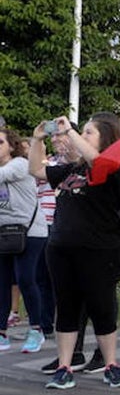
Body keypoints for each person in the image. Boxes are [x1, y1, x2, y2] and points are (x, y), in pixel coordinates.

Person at [29, 113, 120, 389]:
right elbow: (37, 171)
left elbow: (98, 160)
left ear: (105, 139)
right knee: (66, 307)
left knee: (102, 307)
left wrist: (70, 131)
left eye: (89, 132)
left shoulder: (111, 167)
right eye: (83, 131)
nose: (81, 136)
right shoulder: (71, 170)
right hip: (62, 248)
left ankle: (111, 365)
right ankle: (64, 366)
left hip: (98, 250)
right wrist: (37, 139)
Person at [0, 128, 47, 354]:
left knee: (25, 278)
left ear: (11, 146)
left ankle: (36, 330)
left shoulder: (19, 164)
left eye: (0, 142)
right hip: (4, 234)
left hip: (30, 231)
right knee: (2, 283)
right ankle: (1, 333)